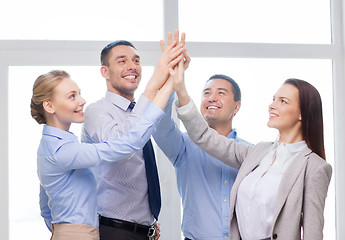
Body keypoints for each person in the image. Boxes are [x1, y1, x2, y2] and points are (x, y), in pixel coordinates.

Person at [32, 42, 183, 240]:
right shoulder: (64, 147)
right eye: (72, 96)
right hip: (108, 231)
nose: (82, 101)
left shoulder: (61, 146)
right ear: (49, 106)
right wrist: (162, 81)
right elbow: (127, 144)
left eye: (136, 60)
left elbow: (47, 204)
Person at [170, 58, 332, 240]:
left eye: (283, 101)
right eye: (273, 99)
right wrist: (180, 88)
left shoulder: (315, 167)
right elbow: (204, 137)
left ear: (302, 113)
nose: (272, 105)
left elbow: (313, 233)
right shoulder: (257, 152)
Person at [80, 36, 188, 240]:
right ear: (105, 72)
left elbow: (160, 119)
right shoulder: (96, 112)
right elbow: (123, 144)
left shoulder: (141, 112)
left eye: (136, 60)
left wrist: (172, 78)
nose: (132, 66)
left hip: (146, 232)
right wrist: (155, 83)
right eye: (122, 61)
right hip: (113, 230)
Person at [153, 71, 250, 239]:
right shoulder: (183, 146)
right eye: (206, 93)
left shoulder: (249, 152)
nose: (211, 98)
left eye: (221, 92)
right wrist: (172, 81)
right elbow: (160, 124)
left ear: (237, 106)